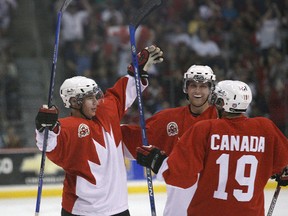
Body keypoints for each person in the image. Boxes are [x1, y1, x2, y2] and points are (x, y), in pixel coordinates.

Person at [34, 45, 163, 216]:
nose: (96, 102)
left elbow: (120, 94)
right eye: (89, 98)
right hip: (81, 210)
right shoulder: (69, 127)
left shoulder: (106, 111)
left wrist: (137, 71)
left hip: (119, 208)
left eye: (96, 95)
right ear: (74, 102)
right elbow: (49, 143)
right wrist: (44, 127)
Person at [136, 80, 288, 216]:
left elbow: (182, 177)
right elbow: (282, 163)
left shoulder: (205, 129)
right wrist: (283, 171)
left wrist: (158, 162)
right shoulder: (265, 128)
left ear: (222, 102)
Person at [121, 64, 217, 215]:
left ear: (211, 89)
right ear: (186, 87)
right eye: (193, 85)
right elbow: (131, 138)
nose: (197, 91)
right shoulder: (169, 119)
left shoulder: (222, 122)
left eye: (203, 86)